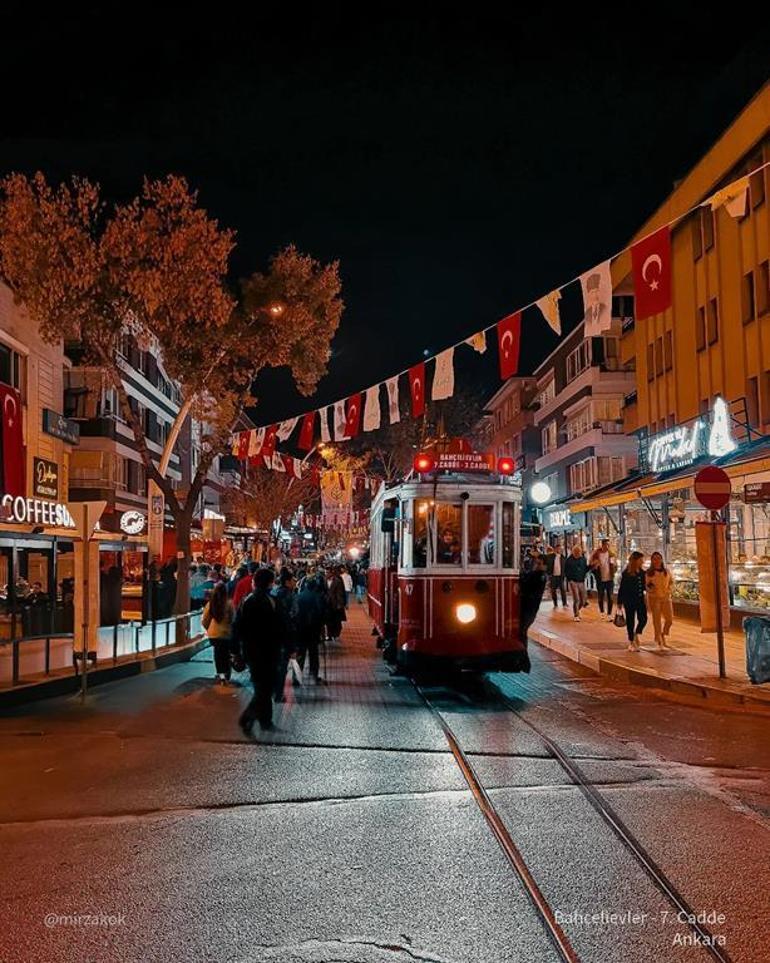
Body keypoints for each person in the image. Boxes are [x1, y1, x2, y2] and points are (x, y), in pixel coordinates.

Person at [233, 568, 281, 734]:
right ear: (270, 583)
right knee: (265, 687)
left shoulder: (247, 602)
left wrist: (236, 651)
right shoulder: (272, 601)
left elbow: (237, 627)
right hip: (269, 651)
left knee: (263, 686)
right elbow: (282, 627)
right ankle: (249, 717)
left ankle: (264, 720)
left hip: (252, 651)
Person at [272, 568, 298, 701]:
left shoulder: (273, 592)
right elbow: (294, 614)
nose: (294, 582)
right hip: (285, 635)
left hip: (271, 635)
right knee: (282, 666)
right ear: (287, 582)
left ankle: (271, 690)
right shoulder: (291, 595)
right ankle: (278, 694)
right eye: (293, 580)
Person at [202, 581, 235, 685]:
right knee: (225, 653)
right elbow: (233, 619)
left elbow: (205, 620)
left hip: (214, 634)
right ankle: (226, 672)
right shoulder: (229, 604)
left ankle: (221, 675)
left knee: (218, 654)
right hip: (226, 634)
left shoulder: (210, 604)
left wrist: (209, 629)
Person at [296, 574, 326, 684]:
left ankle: (297, 677)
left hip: (300, 629)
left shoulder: (298, 596)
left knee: (300, 654)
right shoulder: (317, 597)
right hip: (313, 630)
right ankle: (314, 676)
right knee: (313, 654)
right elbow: (321, 613)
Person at [617, 551, 648, 652]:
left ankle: (636, 633)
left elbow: (644, 586)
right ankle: (631, 641)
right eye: (640, 559)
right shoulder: (626, 573)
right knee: (630, 621)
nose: (642, 561)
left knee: (643, 618)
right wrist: (619, 602)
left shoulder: (643, 573)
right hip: (629, 600)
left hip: (640, 599)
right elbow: (622, 588)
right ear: (635, 560)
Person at [519, 554, 546, 657]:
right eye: (536, 563)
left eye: (539, 563)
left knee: (522, 630)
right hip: (530, 607)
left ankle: (522, 654)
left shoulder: (539, 576)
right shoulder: (537, 574)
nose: (536, 565)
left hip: (529, 607)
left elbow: (526, 585)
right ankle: (522, 653)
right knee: (522, 630)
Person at [646, 551, 673, 650]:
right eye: (654, 559)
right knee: (656, 621)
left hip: (666, 598)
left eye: (658, 558)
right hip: (654, 598)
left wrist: (668, 590)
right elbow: (647, 585)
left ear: (661, 560)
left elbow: (671, 582)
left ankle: (663, 634)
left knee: (669, 620)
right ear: (652, 561)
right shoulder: (649, 573)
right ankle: (659, 640)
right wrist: (651, 589)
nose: (657, 561)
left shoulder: (666, 571)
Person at [589, 538, 617, 621]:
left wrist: (614, 569)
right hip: (600, 579)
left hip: (610, 579)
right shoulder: (596, 554)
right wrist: (594, 566)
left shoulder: (611, 554)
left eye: (608, 545)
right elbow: (591, 565)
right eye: (606, 544)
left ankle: (609, 614)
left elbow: (615, 566)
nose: (607, 546)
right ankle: (602, 612)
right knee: (601, 596)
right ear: (602, 545)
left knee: (610, 597)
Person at [564, 545, 589, 621]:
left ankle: (578, 610)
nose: (578, 554)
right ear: (574, 552)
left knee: (583, 599)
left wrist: (592, 566)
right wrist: (569, 579)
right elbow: (566, 570)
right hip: (573, 581)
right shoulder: (569, 560)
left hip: (581, 581)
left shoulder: (583, 559)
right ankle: (576, 615)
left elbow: (585, 569)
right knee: (576, 598)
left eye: (579, 552)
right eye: (577, 552)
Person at [326, 566, 347, 642]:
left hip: (335, 604)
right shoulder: (324, 581)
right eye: (326, 572)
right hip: (327, 605)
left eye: (328, 572)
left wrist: (340, 604)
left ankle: (335, 634)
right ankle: (329, 635)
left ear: (332, 573)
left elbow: (340, 593)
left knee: (336, 621)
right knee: (328, 621)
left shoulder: (337, 581)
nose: (326, 574)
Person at [545, 544, 567, 608]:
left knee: (562, 589)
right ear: (555, 549)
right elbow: (547, 565)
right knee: (553, 590)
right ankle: (555, 604)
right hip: (553, 576)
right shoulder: (550, 557)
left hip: (560, 576)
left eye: (560, 549)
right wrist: (548, 573)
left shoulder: (563, 557)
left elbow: (564, 567)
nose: (559, 550)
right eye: (558, 549)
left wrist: (564, 575)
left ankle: (564, 603)